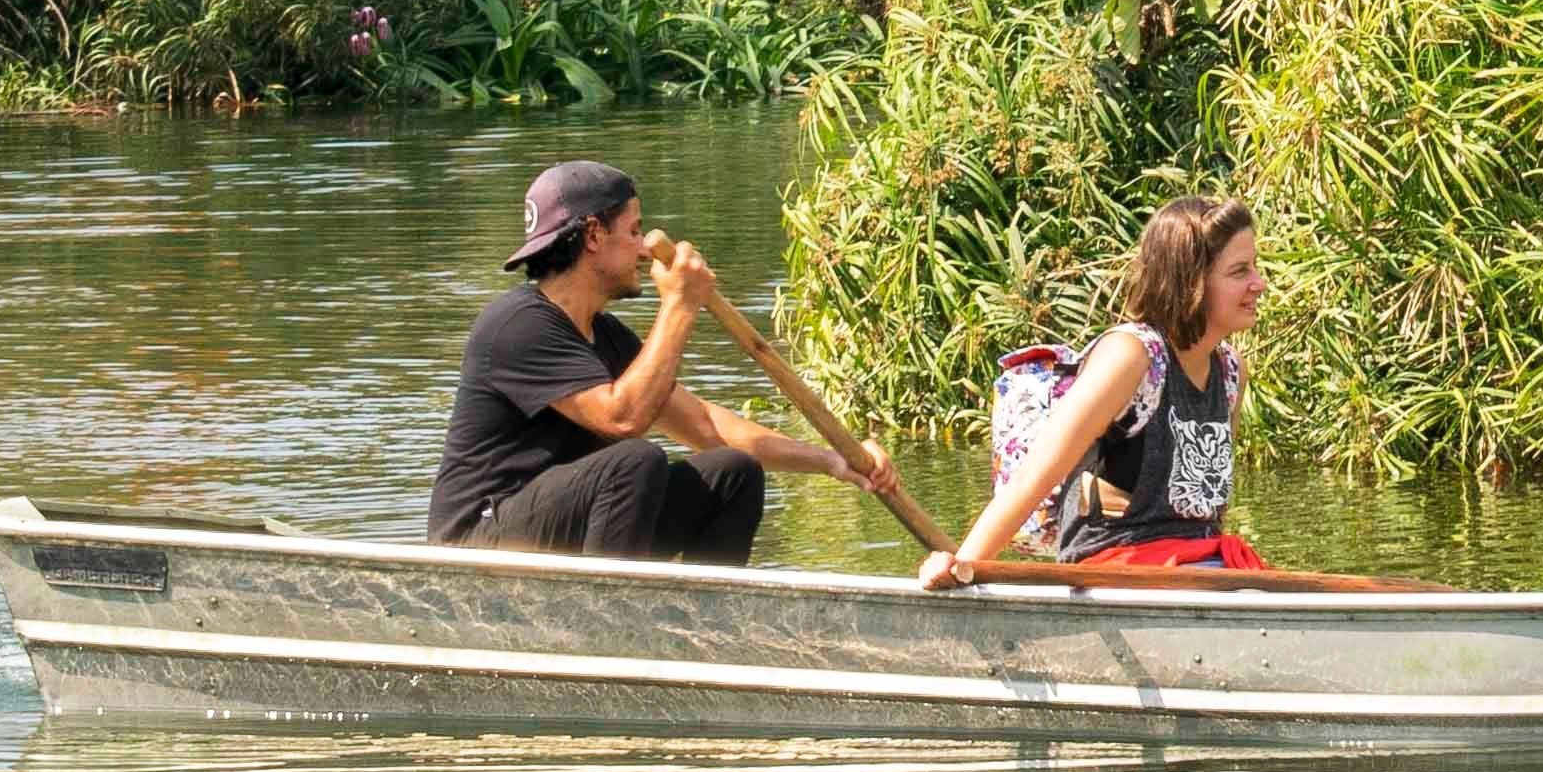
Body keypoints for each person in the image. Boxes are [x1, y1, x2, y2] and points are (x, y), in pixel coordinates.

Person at [428, 159, 895, 562]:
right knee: (633, 461)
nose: (646, 248)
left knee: (732, 472)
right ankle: (608, 626)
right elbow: (621, 419)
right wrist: (680, 305)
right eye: (633, 231)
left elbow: (708, 427)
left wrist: (832, 461)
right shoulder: (517, 325)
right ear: (593, 235)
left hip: (558, 531)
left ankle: (701, 629)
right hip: (476, 543)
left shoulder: (605, 335)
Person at [927, 195, 1266, 584]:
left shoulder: (1230, 372)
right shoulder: (1132, 356)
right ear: (1189, 280)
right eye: (1240, 271)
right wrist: (960, 565)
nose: (1258, 283)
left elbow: (1208, 511)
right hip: (1115, 564)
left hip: (1203, 565)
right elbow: (1032, 478)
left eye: (1254, 267)